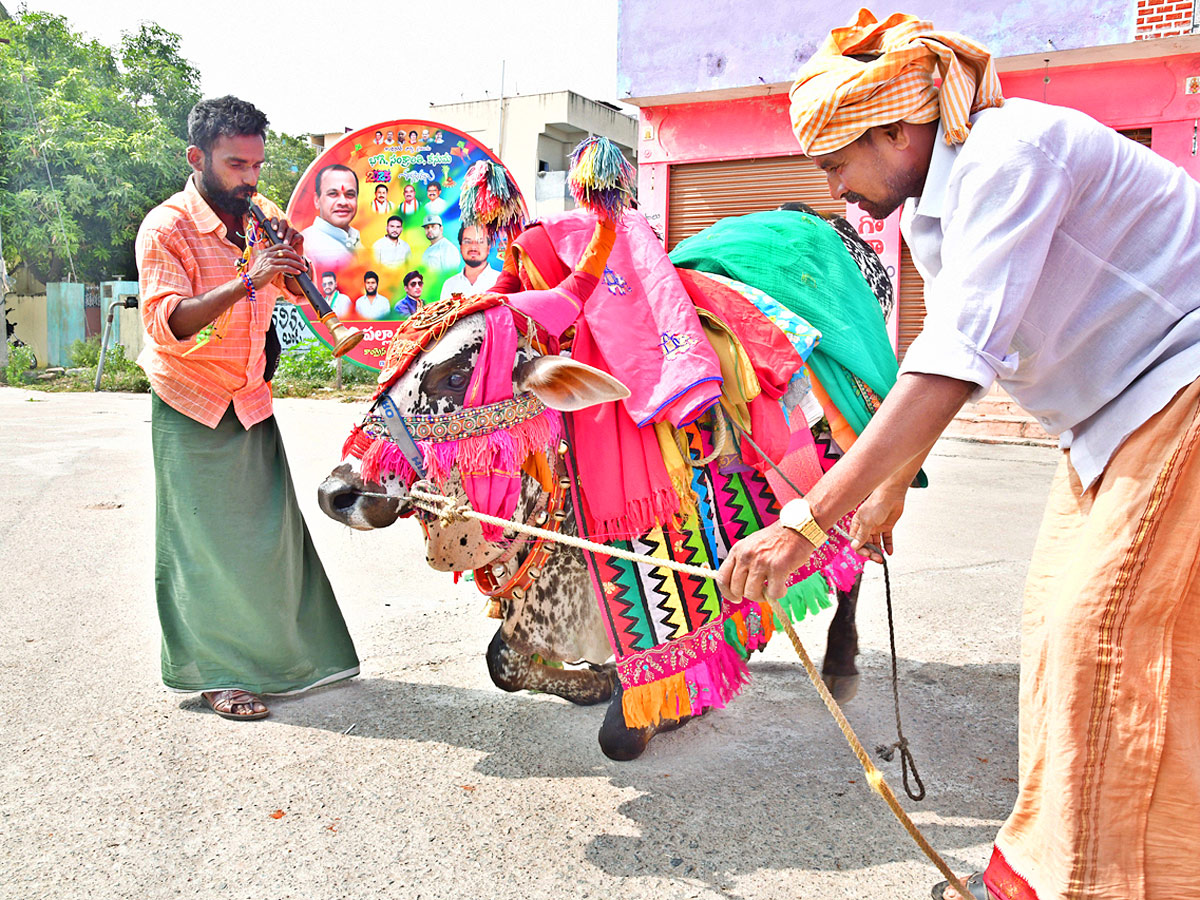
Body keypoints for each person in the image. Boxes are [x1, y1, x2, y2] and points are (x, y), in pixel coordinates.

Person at [718, 11, 1200, 900]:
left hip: (1182, 385)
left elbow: (952, 361)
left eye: (838, 165)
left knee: (1098, 633)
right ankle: (1042, 871)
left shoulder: (1010, 155)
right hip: (1106, 420)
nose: (836, 190)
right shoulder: (928, 214)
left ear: (901, 131)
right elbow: (961, 347)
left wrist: (802, 522)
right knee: (1055, 630)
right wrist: (887, 487)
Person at [135, 95, 359, 722]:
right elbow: (167, 322)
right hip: (192, 401)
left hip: (250, 395)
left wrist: (292, 268)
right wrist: (249, 279)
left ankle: (287, 660)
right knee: (202, 545)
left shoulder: (255, 212)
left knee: (269, 540)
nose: (251, 180)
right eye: (237, 165)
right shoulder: (167, 227)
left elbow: (283, 284)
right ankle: (216, 675)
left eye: (257, 166)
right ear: (197, 158)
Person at [300, 163, 361, 267]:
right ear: (317, 200)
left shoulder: (355, 239)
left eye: (350, 195)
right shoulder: (305, 245)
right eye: (333, 194)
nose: (343, 202)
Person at [439, 224, 499, 301]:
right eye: (467, 241)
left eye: (480, 241)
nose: (473, 247)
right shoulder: (449, 285)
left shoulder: (500, 281)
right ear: (460, 247)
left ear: (488, 247)